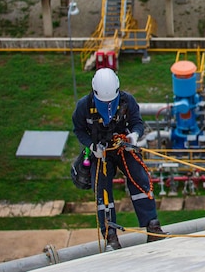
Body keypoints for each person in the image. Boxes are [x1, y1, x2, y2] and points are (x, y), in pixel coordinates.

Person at [72, 68, 167, 250]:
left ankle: (152, 226)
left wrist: (134, 136)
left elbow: (136, 122)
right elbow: (79, 130)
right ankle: (110, 235)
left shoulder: (126, 101)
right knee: (102, 191)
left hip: (122, 147)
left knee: (139, 179)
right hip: (101, 151)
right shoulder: (84, 106)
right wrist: (92, 147)